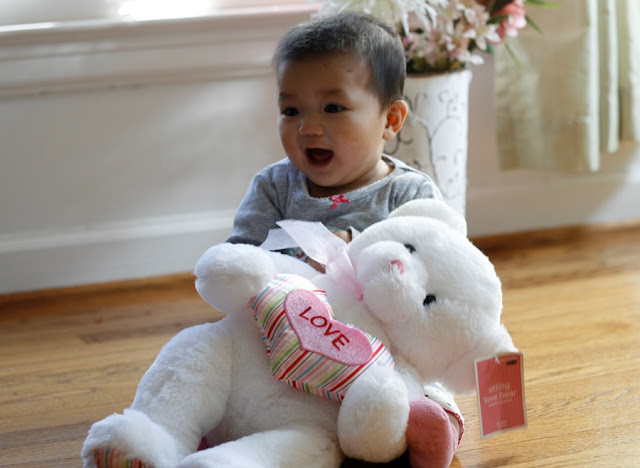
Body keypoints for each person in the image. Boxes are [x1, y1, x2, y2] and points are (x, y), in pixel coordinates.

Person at [227, 11, 442, 252]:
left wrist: (357, 246)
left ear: (390, 120)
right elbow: (239, 260)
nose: (308, 128)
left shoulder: (410, 194)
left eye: (333, 108)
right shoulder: (274, 188)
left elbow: (436, 263)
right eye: (291, 111)